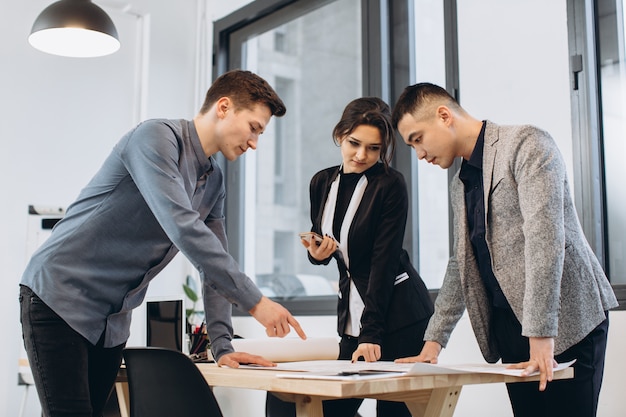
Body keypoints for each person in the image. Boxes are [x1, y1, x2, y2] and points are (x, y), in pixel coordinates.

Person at [19, 69, 307, 417]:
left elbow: (213, 260)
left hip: (111, 321)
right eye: (254, 128)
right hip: (59, 295)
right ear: (224, 107)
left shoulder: (214, 182)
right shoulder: (156, 138)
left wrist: (222, 344)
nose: (254, 143)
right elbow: (183, 227)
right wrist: (256, 302)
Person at [391, 82, 619, 417]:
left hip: (565, 323)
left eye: (417, 139)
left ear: (443, 116)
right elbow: (460, 265)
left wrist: (541, 332)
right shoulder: (461, 184)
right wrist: (433, 343)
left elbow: (545, 239)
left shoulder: (526, 144)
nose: (419, 154)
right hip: (512, 331)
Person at [266, 97, 434, 417]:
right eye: (354, 143)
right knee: (329, 409)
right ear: (339, 135)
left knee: (393, 412)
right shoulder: (322, 182)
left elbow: (383, 262)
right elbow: (330, 245)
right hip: (352, 318)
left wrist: (371, 332)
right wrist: (318, 256)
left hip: (401, 318)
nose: (361, 155)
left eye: (374, 148)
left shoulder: (390, 185)